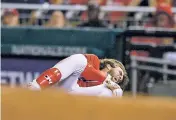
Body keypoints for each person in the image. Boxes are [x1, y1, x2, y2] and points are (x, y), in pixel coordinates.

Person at [27, 54, 129, 97]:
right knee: (79, 60)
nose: (120, 78)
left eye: (120, 80)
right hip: (67, 91)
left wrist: (109, 84)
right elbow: (87, 70)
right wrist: (107, 80)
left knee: (117, 93)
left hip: (82, 105)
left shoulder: (110, 89)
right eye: (120, 73)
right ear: (110, 65)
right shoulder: (93, 61)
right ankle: (35, 87)